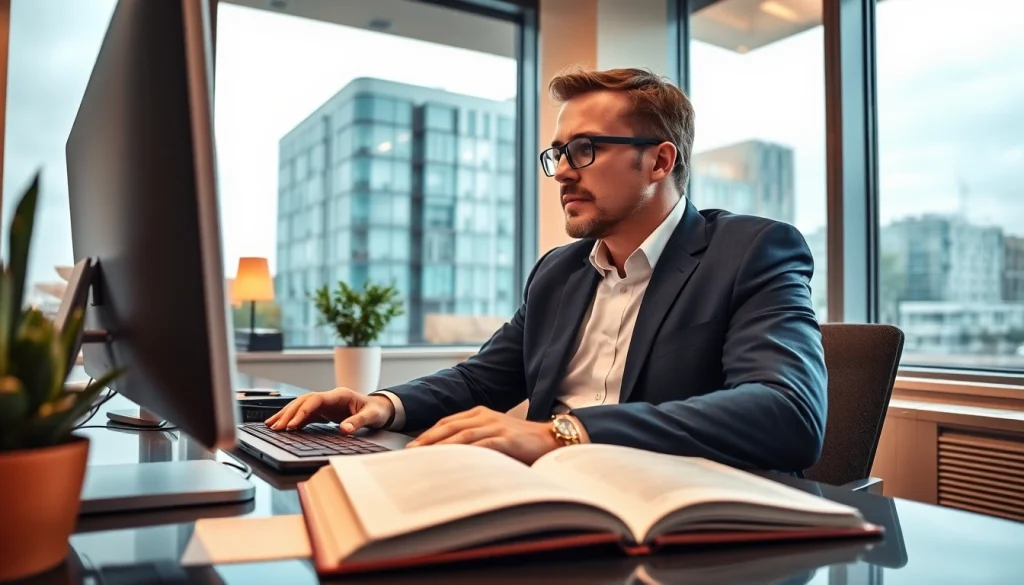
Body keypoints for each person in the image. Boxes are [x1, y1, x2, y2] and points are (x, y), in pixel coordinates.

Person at [266, 67, 827, 474]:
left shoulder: (752, 249)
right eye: (556, 154)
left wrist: (566, 434)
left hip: (675, 514)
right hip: (544, 492)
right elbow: (481, 378)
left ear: (659, 161)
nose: (560, 172)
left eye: (583, 150)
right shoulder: (558, 272)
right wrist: (384, 404)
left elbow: (787, 411)